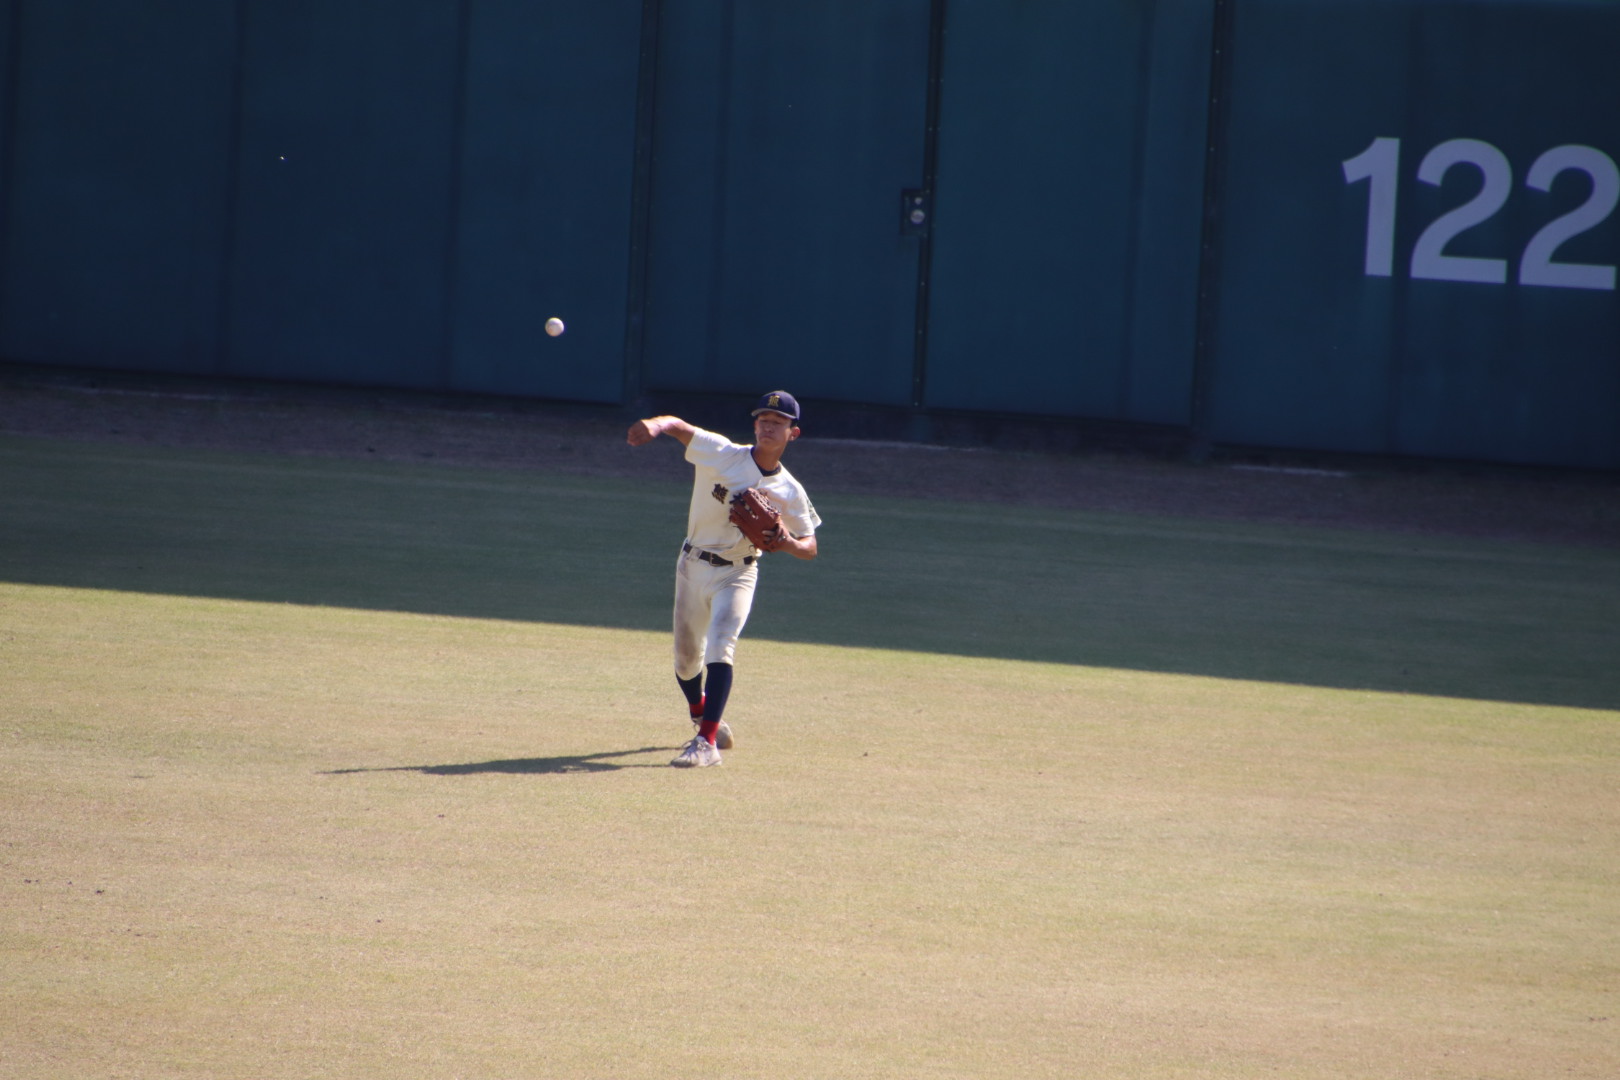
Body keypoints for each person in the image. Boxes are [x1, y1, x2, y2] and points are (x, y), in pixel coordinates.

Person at [626, 391, 821, 767]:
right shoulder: (721, 452)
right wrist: (654, 424)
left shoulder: (789, 490)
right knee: (686, 661)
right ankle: (702, 713)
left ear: (792, 434)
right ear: (754, 424)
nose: (768, 426)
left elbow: (811, 545)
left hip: (739, 572)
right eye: (763, 419)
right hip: (692, 565)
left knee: (720, 645)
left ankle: (706, 743)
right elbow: (679, 427)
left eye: (778, 422)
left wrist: (788, 543)